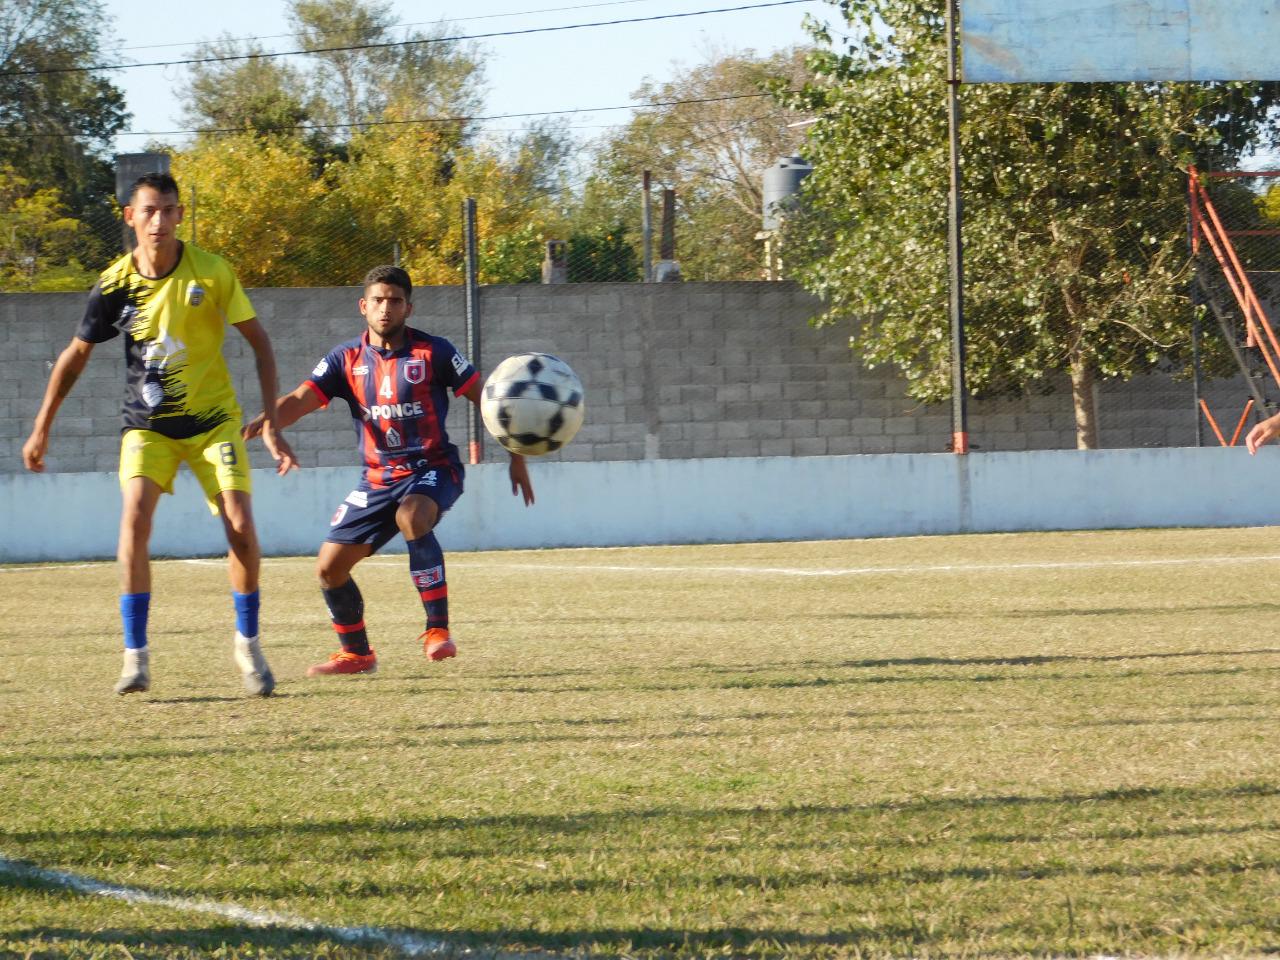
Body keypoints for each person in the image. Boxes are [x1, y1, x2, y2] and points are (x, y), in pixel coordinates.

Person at [22, 171, 295, 697]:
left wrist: (273, 425)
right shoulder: (114, 284)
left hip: (213, 422)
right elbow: (75, 357)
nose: (160, 221)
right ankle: (135, 657)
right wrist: (41, 428)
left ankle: (248, 644)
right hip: (146, 427)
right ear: (130, 216)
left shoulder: (212, 272)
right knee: (134, 521)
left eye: (169, 210)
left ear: (180, 216)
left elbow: (261, 345)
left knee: (240, 523)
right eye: (149, 210)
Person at [244, 264, 534, 676]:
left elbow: (489, 402)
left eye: (395, 301)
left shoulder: (436, 352)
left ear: (408, 308)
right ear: (363, 306)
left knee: (412, 515)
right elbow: (301, 398)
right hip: (377, 479)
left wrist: (516, 455)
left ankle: (437, 630)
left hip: (434, 468)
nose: (386, 308)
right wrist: (269, 419)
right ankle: (357, 654)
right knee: (329, 568)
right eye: (378, 300)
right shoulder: (345, 359)